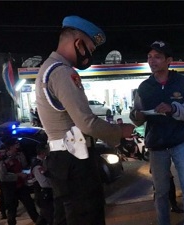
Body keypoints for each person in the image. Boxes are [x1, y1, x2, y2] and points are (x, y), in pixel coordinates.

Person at [34, 15, 134, 225]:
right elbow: (87, 122)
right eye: (90, 48)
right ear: (78, 43)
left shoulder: (47, 68)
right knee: (87, 217)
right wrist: (120, 132)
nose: (90, 55)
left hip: (61, 158)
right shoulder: (62, 72)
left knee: (66, 218)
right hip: (75, 160)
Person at [130, 40, 184, 225]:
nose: (152, 61)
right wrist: (136, 115)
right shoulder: (144, 87)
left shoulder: (183, 82)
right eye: (149, 57)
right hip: (156, 145)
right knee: (160, 191)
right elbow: (137, 115)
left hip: (181, 142)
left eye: (157, 57)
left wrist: (173, 108)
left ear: (169, 60)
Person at [0, 138, 39, 225]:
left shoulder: (18, 155)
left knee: (30, 206)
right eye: (16, 145)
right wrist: (18, 175)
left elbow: (24, 166)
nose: (18, 146)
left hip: (21, 186)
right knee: (12, 210)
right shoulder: (2, 159)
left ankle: (39, 222)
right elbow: (3, 176)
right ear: (10, 147)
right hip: (10, 189)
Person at [31, 143, 54, 225]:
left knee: (43, 218)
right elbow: (43, 183)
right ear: (43, 152)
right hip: (43, 194)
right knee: (50, 217)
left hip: (45, 195)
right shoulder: (37, 165)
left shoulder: (44, 162)